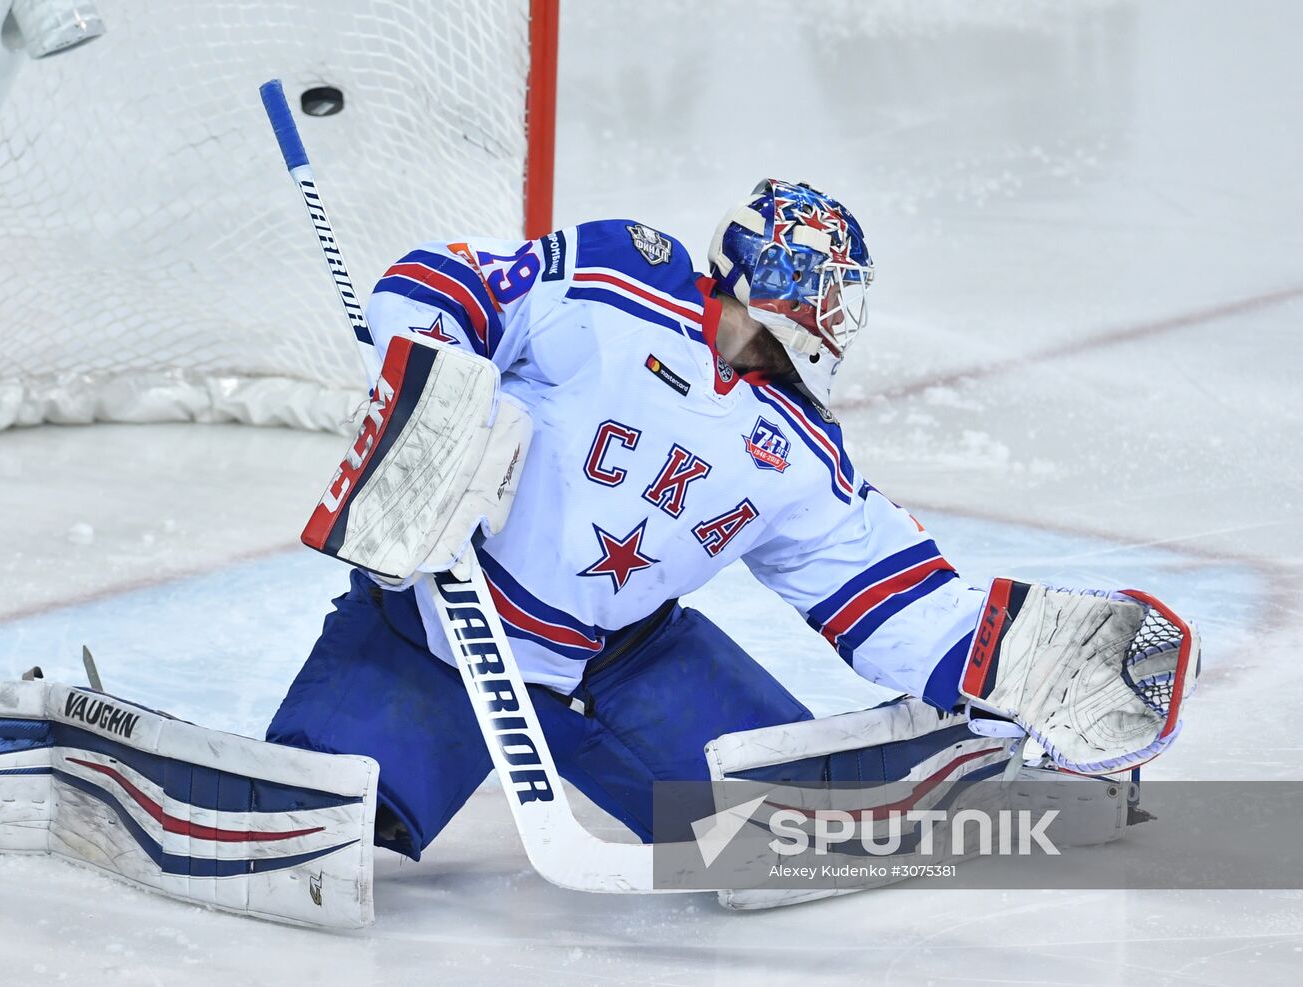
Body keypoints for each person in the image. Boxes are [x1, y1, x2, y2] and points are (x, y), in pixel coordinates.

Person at [266, 179, 1193, 862]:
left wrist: (1016, 661)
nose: (841, 318)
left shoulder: (797, 446)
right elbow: (442, 282)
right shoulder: (622, 277)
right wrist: (440, 389)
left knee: (797, 831)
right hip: (434, 633)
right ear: (779, 268)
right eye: (833, 288)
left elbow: (881, 592)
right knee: (310, 831)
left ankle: (995, 763)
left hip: (626, 663)